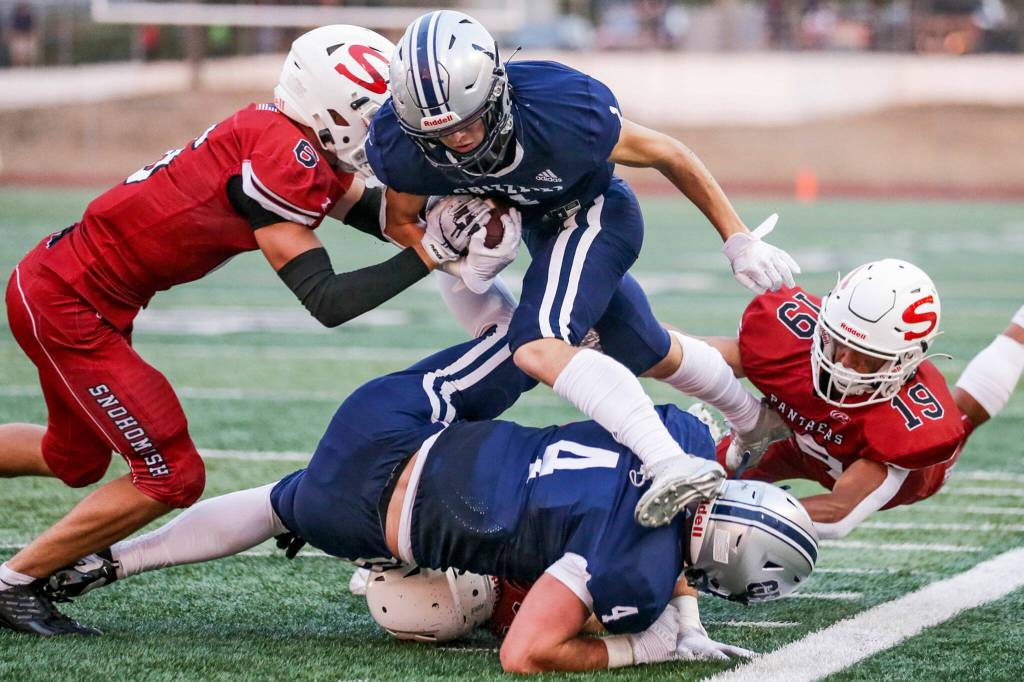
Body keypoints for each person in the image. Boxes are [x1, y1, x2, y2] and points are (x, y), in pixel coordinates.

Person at [0, 25, 495, 636]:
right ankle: (13, 583)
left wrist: (444, 229)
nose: (387, 128)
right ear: (331, 109)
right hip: (71, 305)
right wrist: (427, 254)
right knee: (173, 475)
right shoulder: (285, 155)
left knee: (72, 458)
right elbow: (328, 300)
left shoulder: (284, 135)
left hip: (63, 286)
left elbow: (368, 212)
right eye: (374, 114)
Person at [43, 325, 818, 671]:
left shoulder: (679, 437)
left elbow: (667, 518)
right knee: (286, 505)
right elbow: (524, 653)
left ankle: (468, 256)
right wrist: (636, 645)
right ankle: (106, 565)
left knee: (540, 335)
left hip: (391, 421)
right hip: (358, 518)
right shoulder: (634, 579)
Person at [365, 10, 800, 529]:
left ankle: (669, 463)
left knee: (537, 344)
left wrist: (737, 238)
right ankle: (756, 420)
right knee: (647, 351)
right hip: (542, 231)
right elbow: (401, 220)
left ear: (496, 90)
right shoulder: (404, 143)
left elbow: (670, 153)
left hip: (597, 214)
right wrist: (459, 259)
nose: (458, 140)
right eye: (440, 133)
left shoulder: (562, 106)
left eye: (469, 121)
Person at [698, 259, 1024, 538]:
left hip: (860, 459)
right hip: (794, 434)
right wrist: (649, 343)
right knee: (697, 481)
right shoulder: (796, 342)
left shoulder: (903, 424)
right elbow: (689, 352)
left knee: (964, 413)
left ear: (905, 363)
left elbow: (839, 513)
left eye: (867, 358)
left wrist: (740, 519)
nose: (844, 366)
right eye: (840, 345)